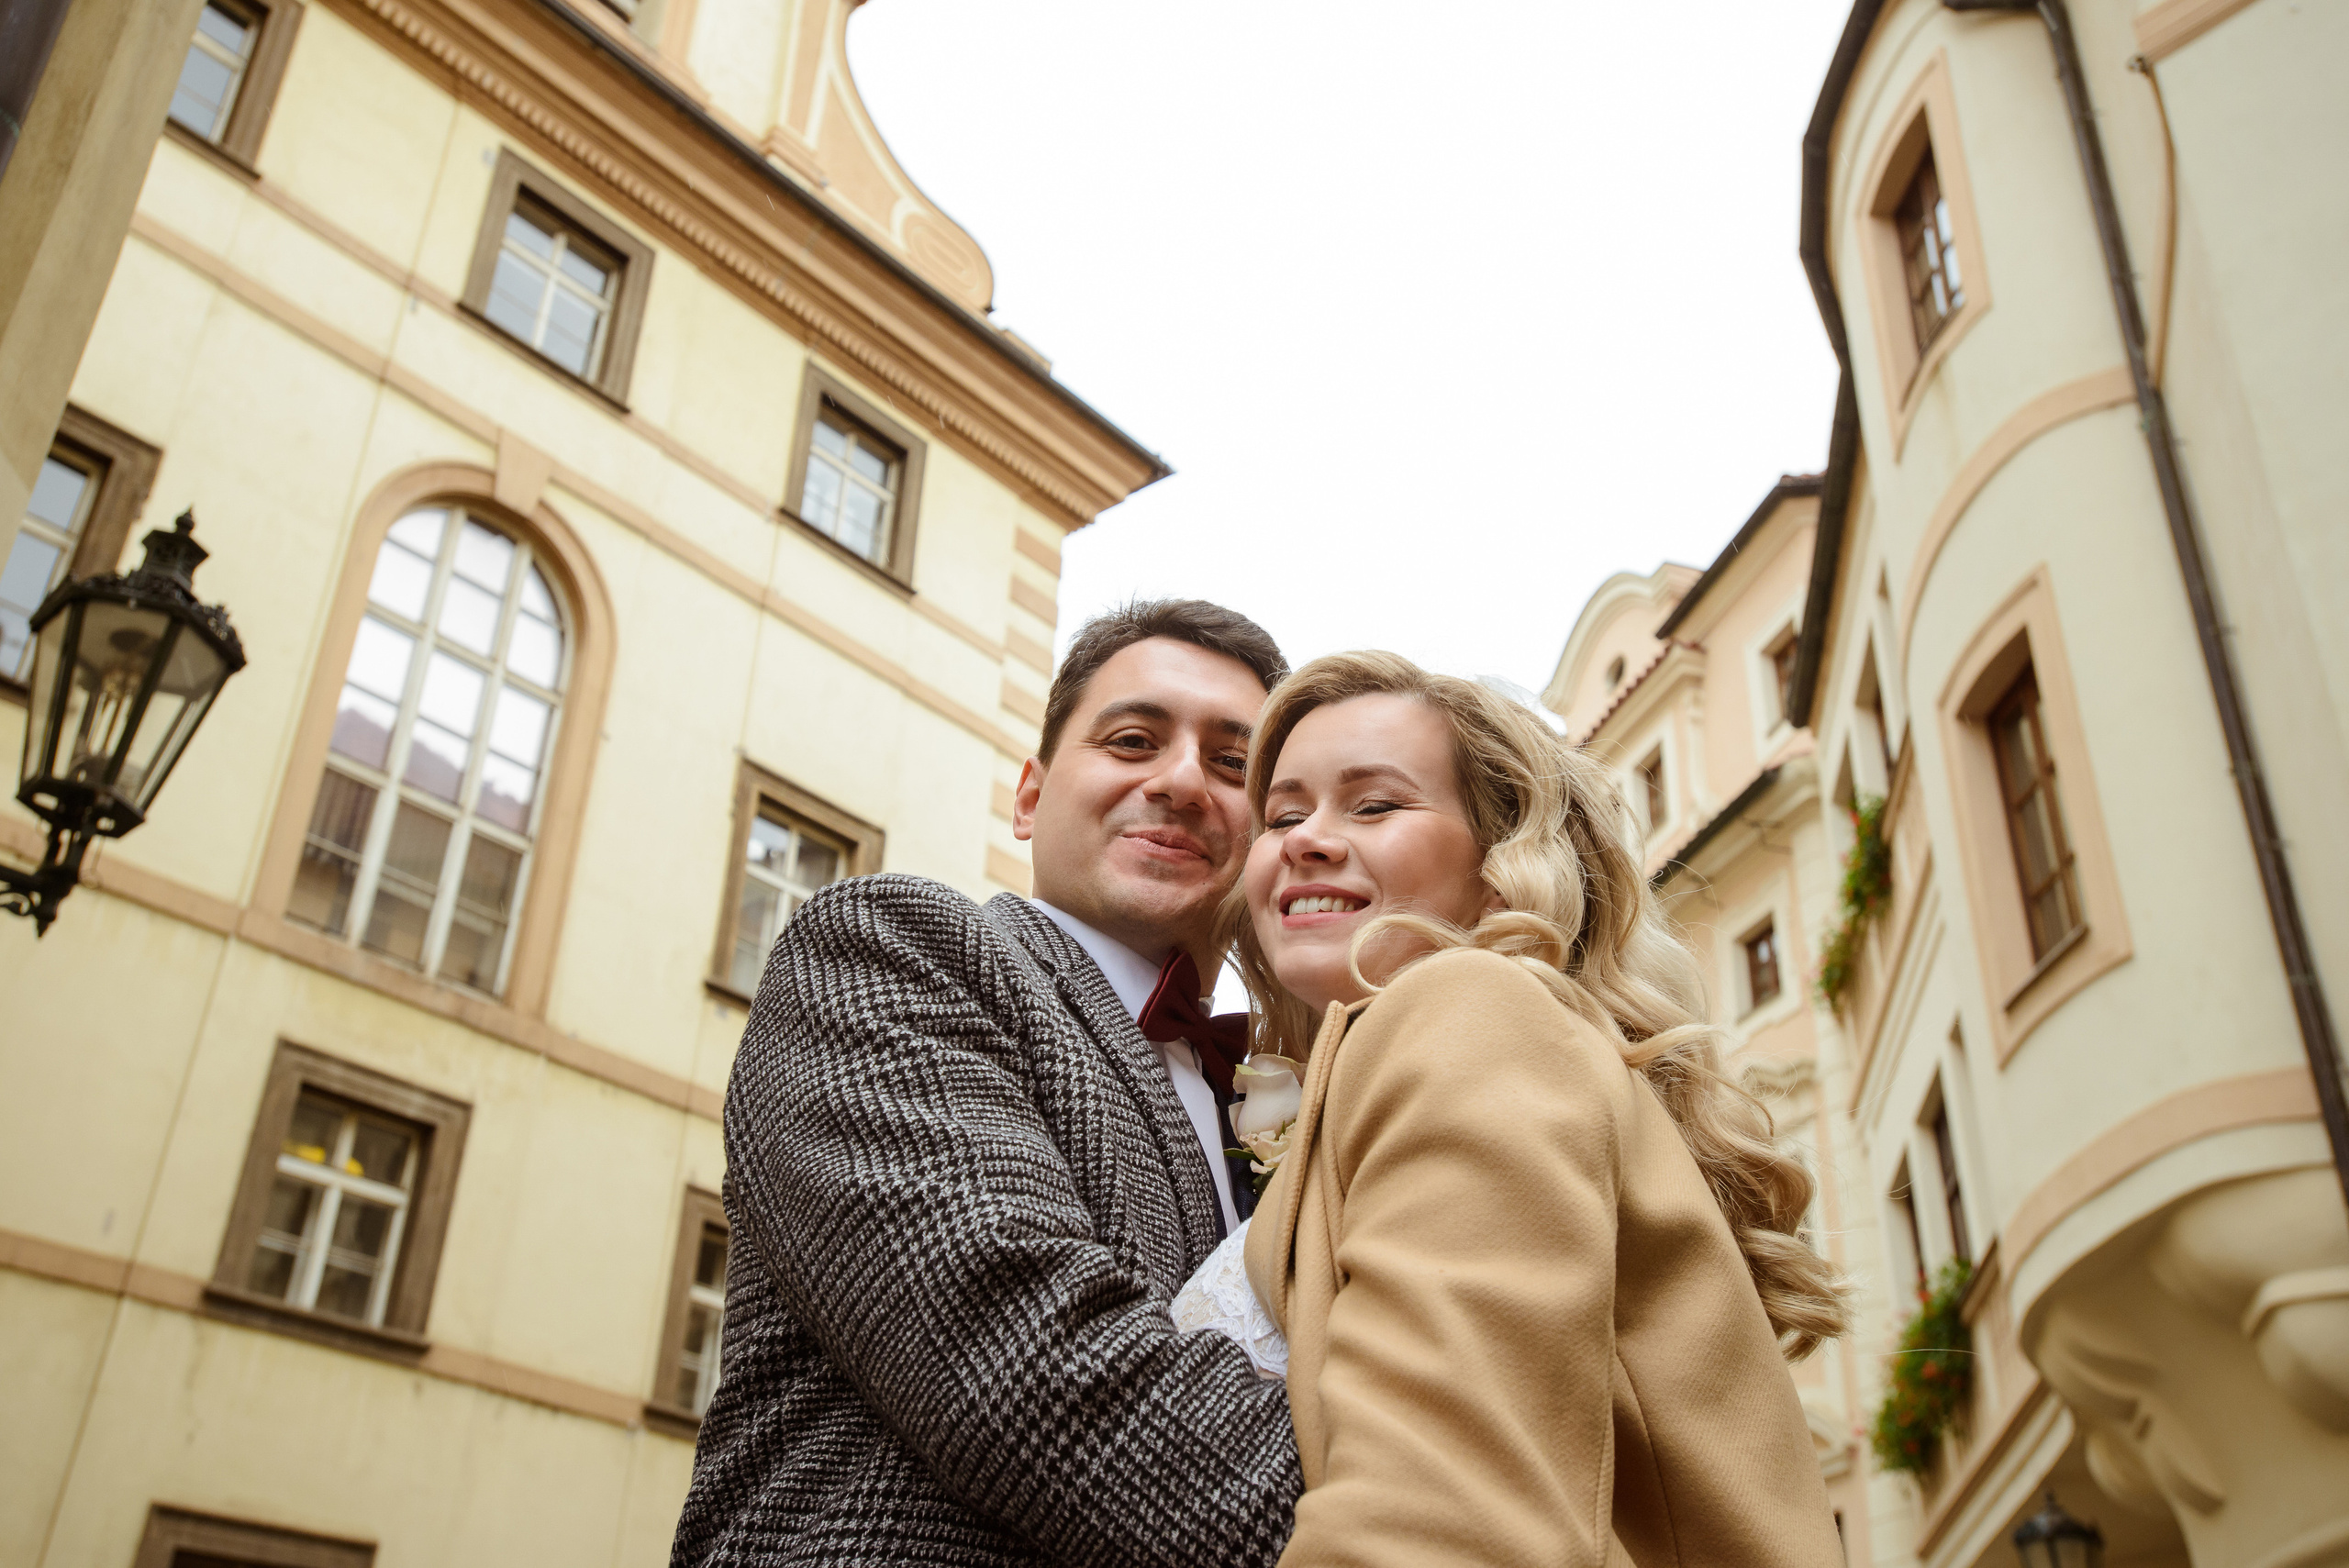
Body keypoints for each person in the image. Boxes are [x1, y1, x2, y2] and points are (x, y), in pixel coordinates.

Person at [669, 601, 1301, 1568]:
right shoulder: (891, 946)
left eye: (1231, 765)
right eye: (1132, 739)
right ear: (1028, 796)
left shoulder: (1277, 1095)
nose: (1179, 780)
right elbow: (1042, 1380)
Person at [1227, 651, 1849, 1567]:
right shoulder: (1415, 1048)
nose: (1304, 839)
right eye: (1282, 814)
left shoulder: (1469, 1008)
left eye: (1374, 804)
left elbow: (1441, 1520)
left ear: (1499, 863)